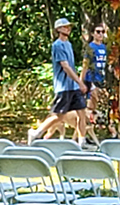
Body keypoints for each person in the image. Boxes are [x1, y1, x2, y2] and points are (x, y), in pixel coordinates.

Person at [29, 18, 89, 146]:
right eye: (65, 27)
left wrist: (77, 83)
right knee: (59, 116)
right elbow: (66, 67)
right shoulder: (57, 45)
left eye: (69, 27)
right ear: (59, 29)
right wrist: (80, 82)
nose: (68, 29)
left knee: (81, 112)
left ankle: (82, 141)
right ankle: (36, 133)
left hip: (73, 86)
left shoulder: (69, 44)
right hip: (64, 87)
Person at [79, 24, 108, 144]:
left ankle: (85, 133)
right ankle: (83, 135)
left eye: (102, 32)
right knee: (90, 108)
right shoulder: (90, 47)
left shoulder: (104, 47)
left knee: (95, 108)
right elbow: (85, 64)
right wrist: (81, 81)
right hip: (91, 79)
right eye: (98, 31)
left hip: (101, 79)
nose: (100, 34)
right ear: (93, 34)